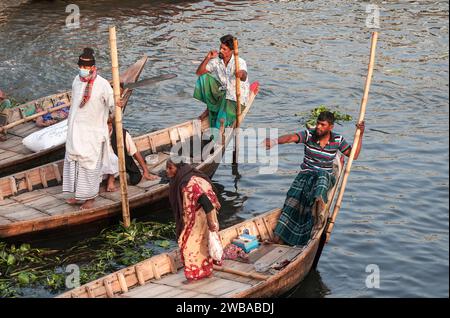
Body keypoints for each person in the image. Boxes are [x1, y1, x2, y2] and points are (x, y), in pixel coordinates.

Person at [265, 111, 365, 246]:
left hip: (324, 176)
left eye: (322, 125)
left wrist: (360, 135)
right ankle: (279, 236)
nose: (318, 127)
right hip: (306, 174)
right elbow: (290, 138)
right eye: (318, 123)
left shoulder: (337, 140)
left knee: (321, 183)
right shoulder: (308, 135)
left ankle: (317, 214)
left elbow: (354, 155)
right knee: (292, 200)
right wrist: (275, 141)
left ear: (330, 127)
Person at [63, 48, 122, 210]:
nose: (82, 69)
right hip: (75, 130)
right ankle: (77, 196)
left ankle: (90, 198)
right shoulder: (76, 80)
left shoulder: (102, 84)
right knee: (74, 162)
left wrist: (117, 103)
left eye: (85, 67)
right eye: (80, 66)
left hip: (93, 132)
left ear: (92, 67)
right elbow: (75, 102)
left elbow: (112, 105)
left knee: (89, 165)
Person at [167, 158, 221, 283]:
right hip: (202, 214)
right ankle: (206, 272)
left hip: (201, 216)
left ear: (178, 168)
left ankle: (192, 277)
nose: (167, 171)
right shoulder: (189, 176)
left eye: (170, 168)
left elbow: (206, 202)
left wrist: (211, 222)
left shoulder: (188, 183)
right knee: (203, 244)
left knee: (187, 245)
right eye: (167, 168)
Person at [194, 34, 250, 130]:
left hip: (235, 98)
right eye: (220, 48)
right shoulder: (217, 61)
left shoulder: (239, 62)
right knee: (203, 77)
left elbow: (244, 76)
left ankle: (219, 127)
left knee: (220, 121)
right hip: (223, 93)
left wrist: (240, 74)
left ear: (231, 51)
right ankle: (210, 108)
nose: (221, 51)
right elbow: (199, 73)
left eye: (224, 49)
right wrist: (207, 58)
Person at [104, 116, 159, 192]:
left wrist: (145, 171)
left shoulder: (122, 134)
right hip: (102, 164)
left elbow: (134, 152)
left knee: (135, 179)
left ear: (110, 125)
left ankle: (112, 178)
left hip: (119, 161)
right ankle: (110, 180)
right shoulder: (96, 135)